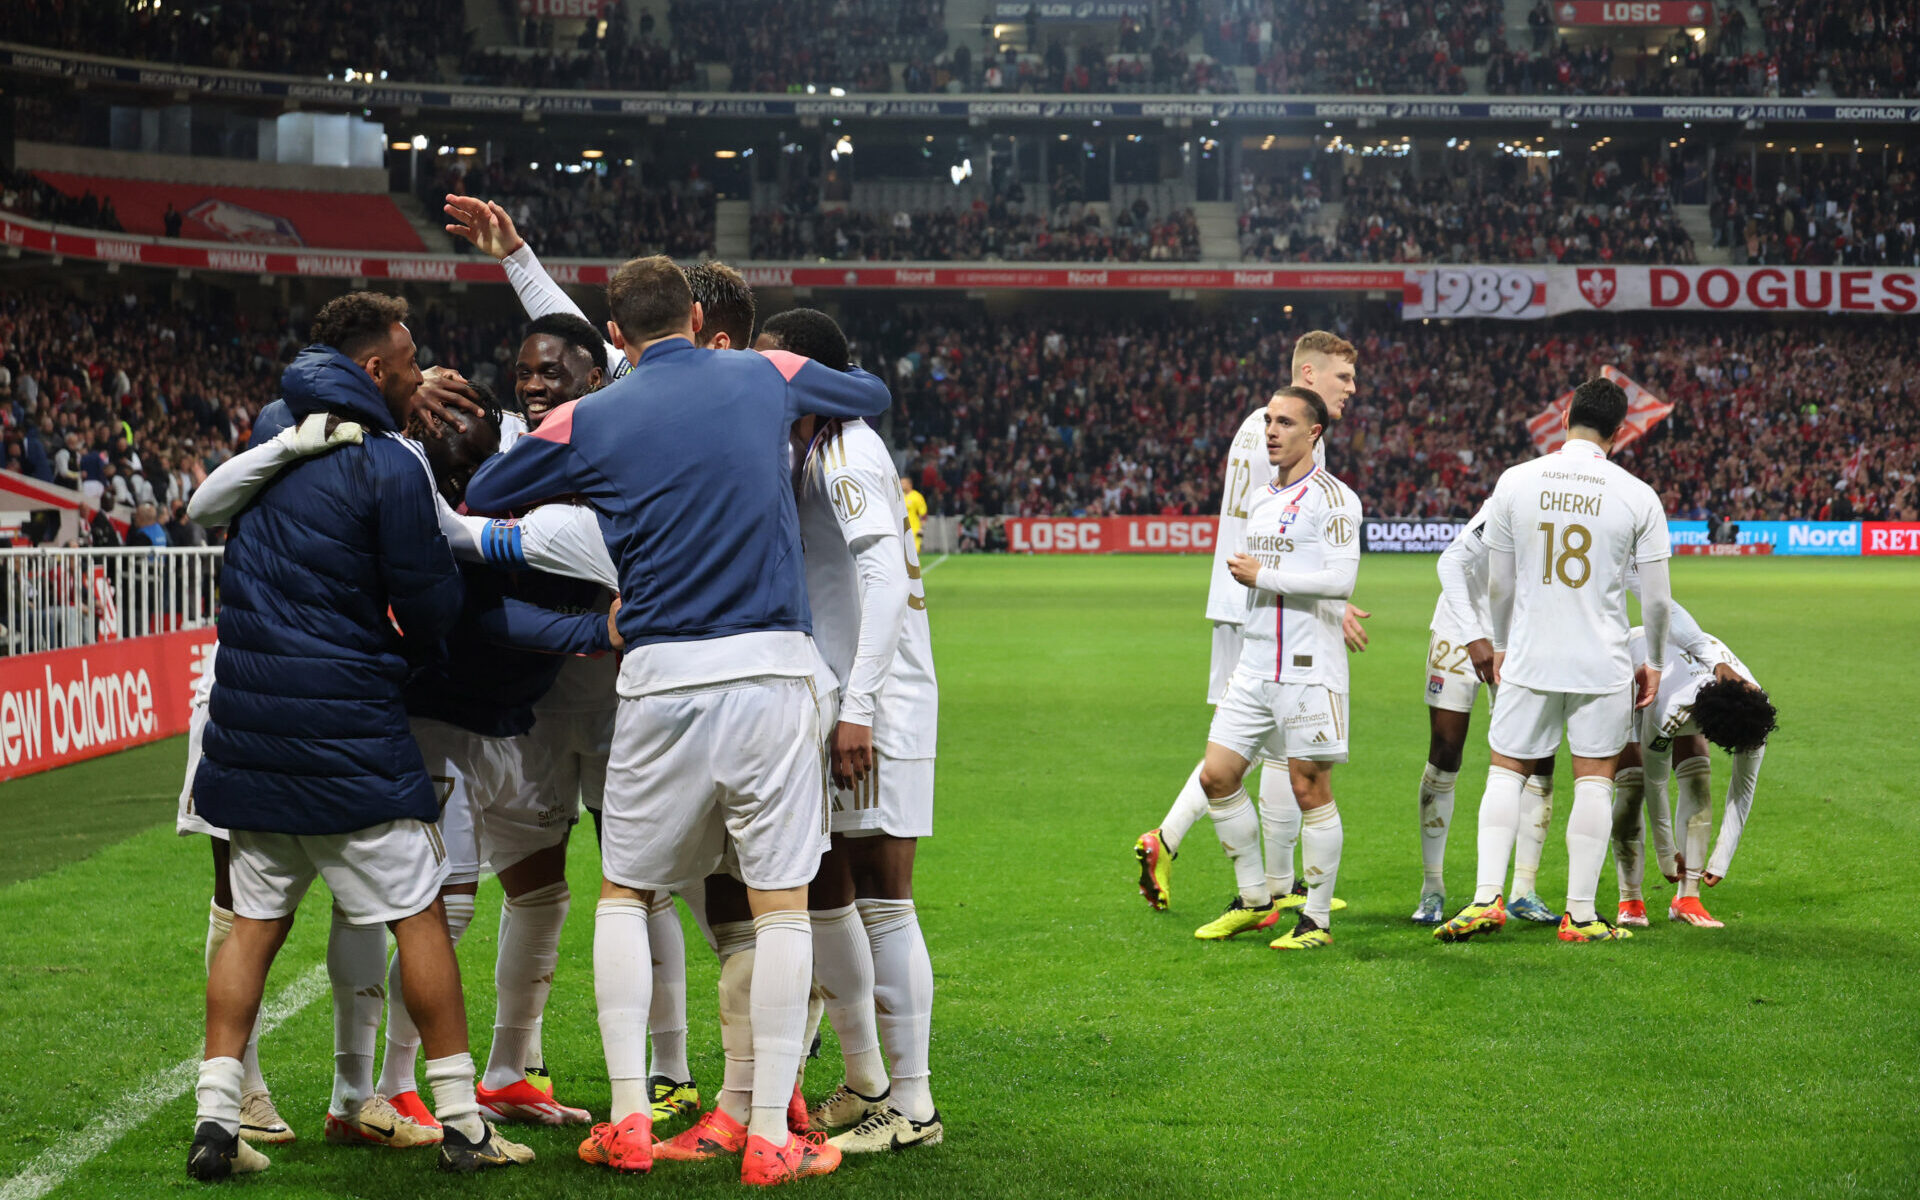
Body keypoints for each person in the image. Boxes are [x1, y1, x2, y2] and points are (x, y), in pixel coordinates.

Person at [462, 256, 891, 1184]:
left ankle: (626, 1117)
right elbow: (870, 390)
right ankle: (773, 1134)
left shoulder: (591, 414)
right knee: (780, 908)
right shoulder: (763, 373)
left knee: (627, 892)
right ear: (699, 317)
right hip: (772, 671)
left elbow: (490, 493)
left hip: (655, 678)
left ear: (614, 336)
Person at [186, 292, 530, 1180]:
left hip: (251, 726)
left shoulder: (272, 422)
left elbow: (211, 505)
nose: (422, 374)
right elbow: (428, 607)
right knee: (418, 915)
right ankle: (462, 1118)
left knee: (254, 926)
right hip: (347, 733)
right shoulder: (392, 463)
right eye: (410, 361)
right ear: (374, 370)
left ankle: (217, 1120)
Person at [759, 310, 943, 1152]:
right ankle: (869, 1083)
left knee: (880, 896)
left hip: (875, 703)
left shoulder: (847, 448)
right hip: (843, 697)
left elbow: (879, 574)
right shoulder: (808, 447)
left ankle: (912, 1105)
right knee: (836, 889)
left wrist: (860, 706)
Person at [1436, 377, 1672, 945]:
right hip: (1603, 661)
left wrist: (1498, 642)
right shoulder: (1638, 494)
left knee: (1505, 771)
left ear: (1566, 416)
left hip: (1530, 656)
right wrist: (1656, 661)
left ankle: (1485, 899)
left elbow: (1499, 581)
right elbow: (1659, 599)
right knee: (1594, 782)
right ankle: (1582, 915)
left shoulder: (1516, 481)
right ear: (1620, 432)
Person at [1134, 331, 1363, 916]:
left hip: (1251, 597)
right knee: (1259, 747)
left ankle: (1278, 886)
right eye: (1343, 378)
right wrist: (1325, 603)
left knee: (1268, 747)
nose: (1351, 390)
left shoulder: (1257, 424)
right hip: (1257, 607)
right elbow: (1280, 540)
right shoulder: (1284, 429)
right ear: (1308, 377)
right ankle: (1174, 838)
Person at [1187, 386, 1360, 951]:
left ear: (1313, 432)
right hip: (1256, 665)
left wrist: (1266, 576)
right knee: (1217, 776)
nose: (1271, 431)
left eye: (1284, 422)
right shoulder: (1260, 499)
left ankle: (1315, 920)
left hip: (1309, 668)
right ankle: (1254, 898)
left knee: (1309, 787)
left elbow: (1340, 580)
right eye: (1268, 421)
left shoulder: (1336, 499)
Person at [1411, 503, 1560, 927]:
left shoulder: (1574, 509)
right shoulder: (1510, 503)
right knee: (1445, 752)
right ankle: (1433, 887)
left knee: (1537, 759)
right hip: (1463, 631)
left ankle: (1524, 890)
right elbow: (1452, 561)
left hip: (1522, 641)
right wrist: (1476, 635)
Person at [1612, 621, 1775, 928]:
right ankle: (1630, 899)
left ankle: (1688, 898)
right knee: (1633, 785)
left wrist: (1722, 857)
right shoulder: (1672, 711)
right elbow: (1655, 782)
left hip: (1685, 678)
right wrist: (1666, 852)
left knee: (1698, 779)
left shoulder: (1756, 708)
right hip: (1628, 671)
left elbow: (1743, 790)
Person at [899, 475, 927, 556]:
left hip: (914, 530)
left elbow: (923, 514)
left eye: (903, 483)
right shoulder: (900, 496)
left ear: (909, 484)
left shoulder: (917, 497)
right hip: (902, 530)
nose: (901, 484)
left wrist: (922, 528)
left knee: (913, 555)